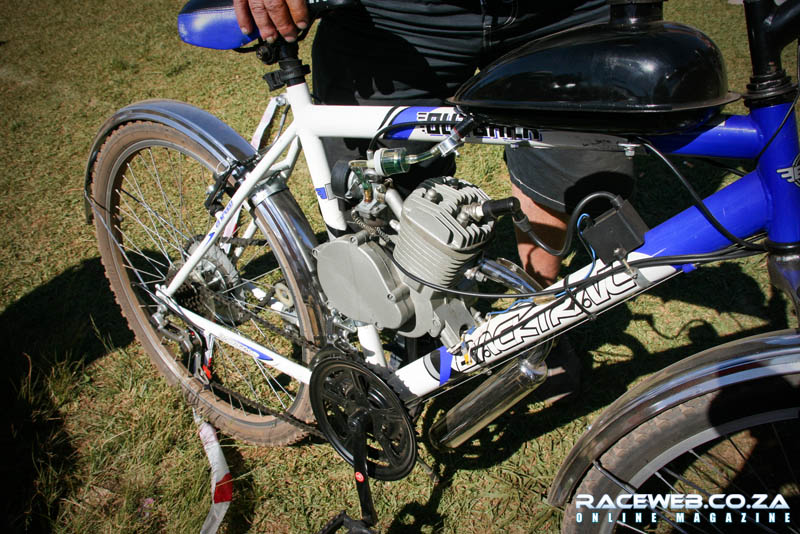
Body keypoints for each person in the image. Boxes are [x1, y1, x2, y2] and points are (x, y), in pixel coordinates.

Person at [232, 0, 634, 287]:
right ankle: (408, 324)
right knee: (378, 184)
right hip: (390, 16)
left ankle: (537, 309)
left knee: (573, 170)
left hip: (565, 11)